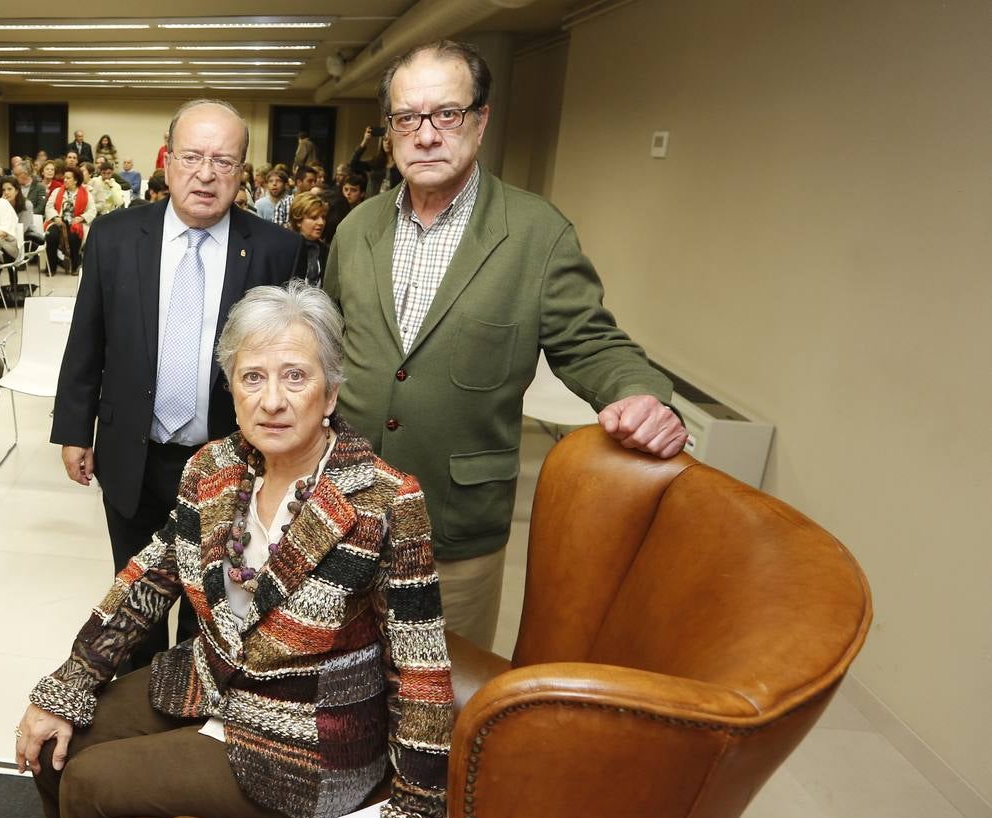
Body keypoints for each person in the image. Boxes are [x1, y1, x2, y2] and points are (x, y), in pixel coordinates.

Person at [22, 282, 452, 818]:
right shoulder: (213, 468)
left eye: (295, 378)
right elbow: (149, 575)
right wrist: (72, 681)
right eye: (252, 378)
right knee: (49, 746)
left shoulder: (385, 500)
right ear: (232, 389)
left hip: (306, 742)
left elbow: (422, 671)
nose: (272, 401)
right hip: (209, 682)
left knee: (88, 780)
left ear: (331, 393)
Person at [325, 39, 687, 652]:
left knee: (441, 697)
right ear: (389, 131)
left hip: (455, 528)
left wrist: (641, 394)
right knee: (333, 684)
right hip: (343, 511)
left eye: (447, 114)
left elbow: (591, 342)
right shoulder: (357, 228)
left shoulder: (536, 233)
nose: (427, 134)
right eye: (407, 118)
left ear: (480, 120)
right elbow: (331, 343)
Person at [51, 98, 304, 672]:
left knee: (210, 604)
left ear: (243, 172)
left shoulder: (275, 249)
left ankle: (189, 712)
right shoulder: (114, 237)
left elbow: (291, 363)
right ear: (168, 163)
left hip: (228, 461)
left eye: (223, 160)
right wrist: (74, 429)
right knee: (136, 597)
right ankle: (137, 704)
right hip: (129, 454)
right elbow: (87, 339)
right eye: (192, 157)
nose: (206, 173)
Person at [43, 167, 92, 277]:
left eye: (68, 178)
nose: (64, 180)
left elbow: (92, 210)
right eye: (64, 177)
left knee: (74, 236)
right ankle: (51, 267)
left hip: (76, 222)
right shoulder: (57, 192)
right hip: (58, 221)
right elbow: (49, 207)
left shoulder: (86, 193)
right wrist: (55, 217)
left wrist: (81, 218)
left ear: (75, 180)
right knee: (51, 235)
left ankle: (75, 265)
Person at [288, 192, 328, 286]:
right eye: (314, 218)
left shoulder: (325, 250)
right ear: (298, 220)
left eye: (323, 217)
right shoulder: (285, 248)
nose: (321, 222)